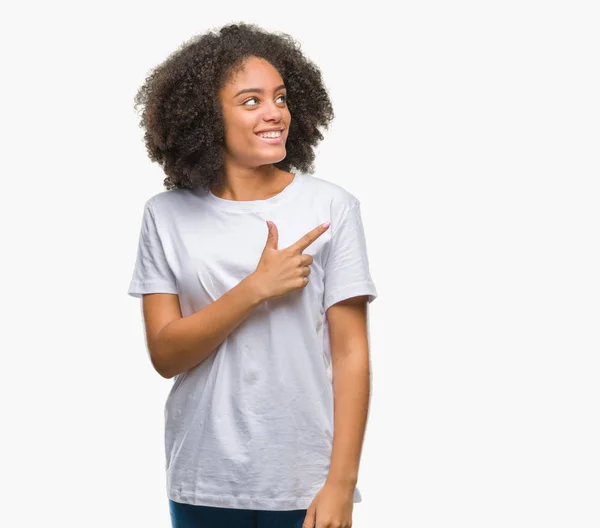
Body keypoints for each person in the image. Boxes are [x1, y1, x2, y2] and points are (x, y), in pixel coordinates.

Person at [127, 22, 378, 528]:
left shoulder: (330, 206)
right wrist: (255, 289)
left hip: (303, 481)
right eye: (250, 101)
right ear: (205, 118)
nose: (274, 113)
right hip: (204, 477)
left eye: (281, 98)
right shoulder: (166, 215)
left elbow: (352, 355)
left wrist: (340, 484)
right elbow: (166, 354)